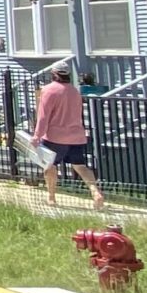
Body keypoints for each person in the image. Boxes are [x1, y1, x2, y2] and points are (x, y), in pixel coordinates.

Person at [31, 62, 107, 211]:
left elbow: (43, 116)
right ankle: (95, 191)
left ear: (54, 74)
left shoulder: (48, 90)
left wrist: (36, 136)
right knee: (80, 166)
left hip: (54, 137)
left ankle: (51, 198)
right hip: (76, 136)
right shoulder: (74, 91)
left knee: (50, 167)